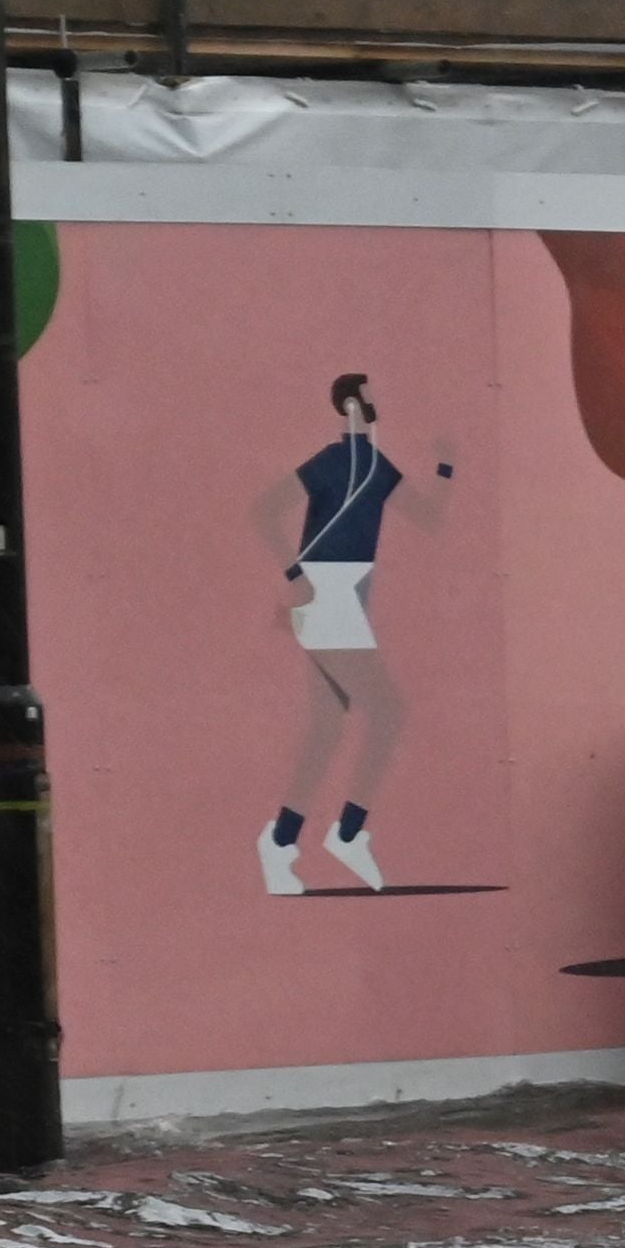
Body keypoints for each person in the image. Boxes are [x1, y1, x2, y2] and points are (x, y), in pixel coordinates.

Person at [255, 371, 446, 895]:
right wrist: (295, 575)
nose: (382, 399)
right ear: (356, 402)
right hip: (327, 595)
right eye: (373, 393)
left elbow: (428, 518)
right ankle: (347, 832)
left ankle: (282, 843)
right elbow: (266, 510)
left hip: (353, 594)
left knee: (327, 730)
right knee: (387, 712)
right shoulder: (331, 461)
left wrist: (446, 466)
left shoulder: (378, 468)